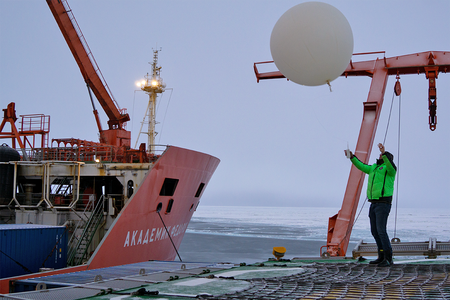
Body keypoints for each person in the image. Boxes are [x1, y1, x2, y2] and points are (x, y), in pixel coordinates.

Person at [345, 143, 397, 267]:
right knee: (375, 231)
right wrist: (352, 157)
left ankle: (388, 258)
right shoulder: (374, 168)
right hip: (373, 203)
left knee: (381, 231)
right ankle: (381, 256)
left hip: (383, 203)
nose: (380, 156)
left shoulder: (389, 170)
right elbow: (362, 166)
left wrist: (384, 153)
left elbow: (390, 165)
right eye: (380, 155)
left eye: (382, 156)